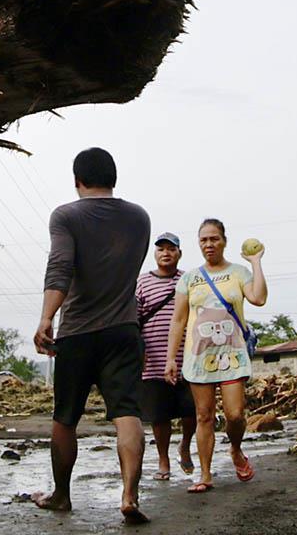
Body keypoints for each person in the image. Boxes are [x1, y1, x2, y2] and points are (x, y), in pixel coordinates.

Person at [32, 147, 151, 525]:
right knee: (127, 412)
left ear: (77, 180)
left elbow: (61, 267)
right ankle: (129, 494)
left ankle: (61, 496)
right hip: (124, 330)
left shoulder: (66, 216)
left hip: (78, 332)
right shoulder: (139, 217)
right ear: (113, 178)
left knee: (65, 417)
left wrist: (46, 317)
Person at [165, 218, 267, 494]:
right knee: (204, 416)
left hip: (233, 356)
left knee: (235, 414)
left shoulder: (239, 272)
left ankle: (235, 448)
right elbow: (178, 320)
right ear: (198, 244)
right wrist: (171, 358)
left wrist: (255, 262)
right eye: (204, 240)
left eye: (214, 239)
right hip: (198, 358)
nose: (209, 244)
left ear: (224, 241)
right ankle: (205, 474)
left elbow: (258, 298)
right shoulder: (189, 279)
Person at [136, 232, 196, 481]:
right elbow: (134, 318)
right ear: (155, 253)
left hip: (188, 358)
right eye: (161, 249)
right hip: (152, 360)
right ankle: (163, 459)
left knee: (192, 410)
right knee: (159, 415)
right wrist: (137, 353)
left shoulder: (189, 280)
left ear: (179, 253)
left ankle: (185, 445)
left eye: (171, 249)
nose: (166, 253)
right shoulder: (142, 282)